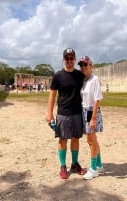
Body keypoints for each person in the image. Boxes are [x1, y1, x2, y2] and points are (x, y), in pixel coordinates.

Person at [46, 48, 87, 179]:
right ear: (63, 60)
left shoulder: (80, 75)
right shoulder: (58, 76)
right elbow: (52, 95)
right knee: (62, 139)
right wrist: (49, 114)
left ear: (75, 60)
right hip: (63, 113)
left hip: (77, 113)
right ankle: (63, 166)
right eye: (67, 58)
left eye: (71, 58)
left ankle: (74, 164)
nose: (69, 60)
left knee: (75, 139)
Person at [78, 56, 104, 180]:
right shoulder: (83, 80)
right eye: (81, 65)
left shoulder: (95, 79)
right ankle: (99, 164)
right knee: (92, 139)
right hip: (84, 111)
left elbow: (97, 99)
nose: (83, 67)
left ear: (91, 66)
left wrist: (93, 117)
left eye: (85, 64)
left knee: (91, 140)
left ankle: (93, 169)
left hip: (91, 111)